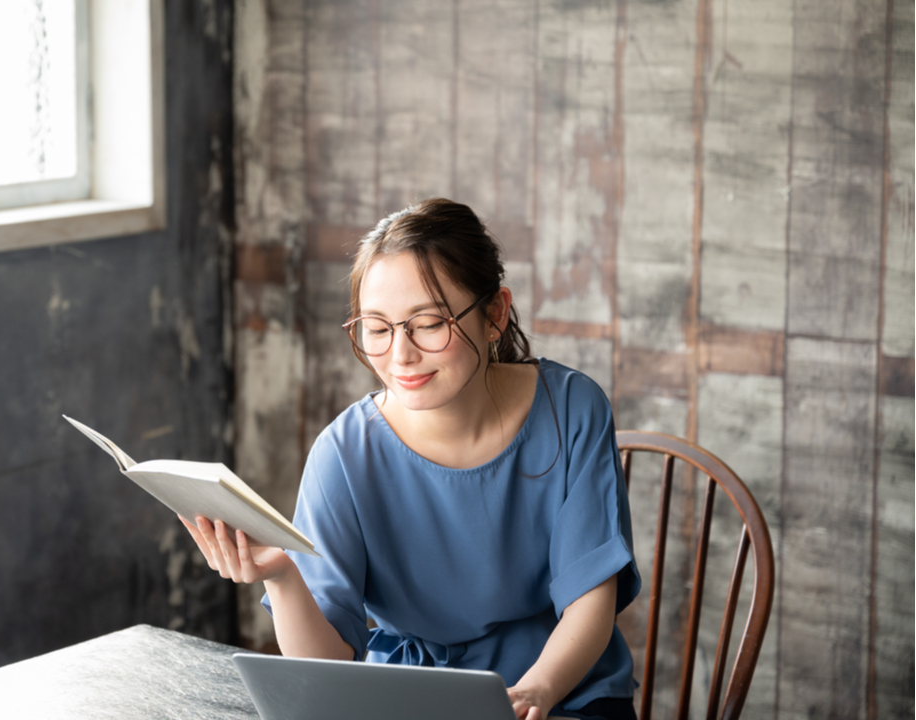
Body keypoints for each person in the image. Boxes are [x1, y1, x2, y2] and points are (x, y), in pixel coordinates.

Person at [180, 198, 640, 720]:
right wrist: (282, 576)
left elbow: (590, 602)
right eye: (377, 328)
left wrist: (535, 693)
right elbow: (329, 665)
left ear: (495, 313)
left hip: (564, 692)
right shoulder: (345, 452)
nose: (401, 355)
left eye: (427, 323)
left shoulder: (573, 410)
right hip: (408, 701)